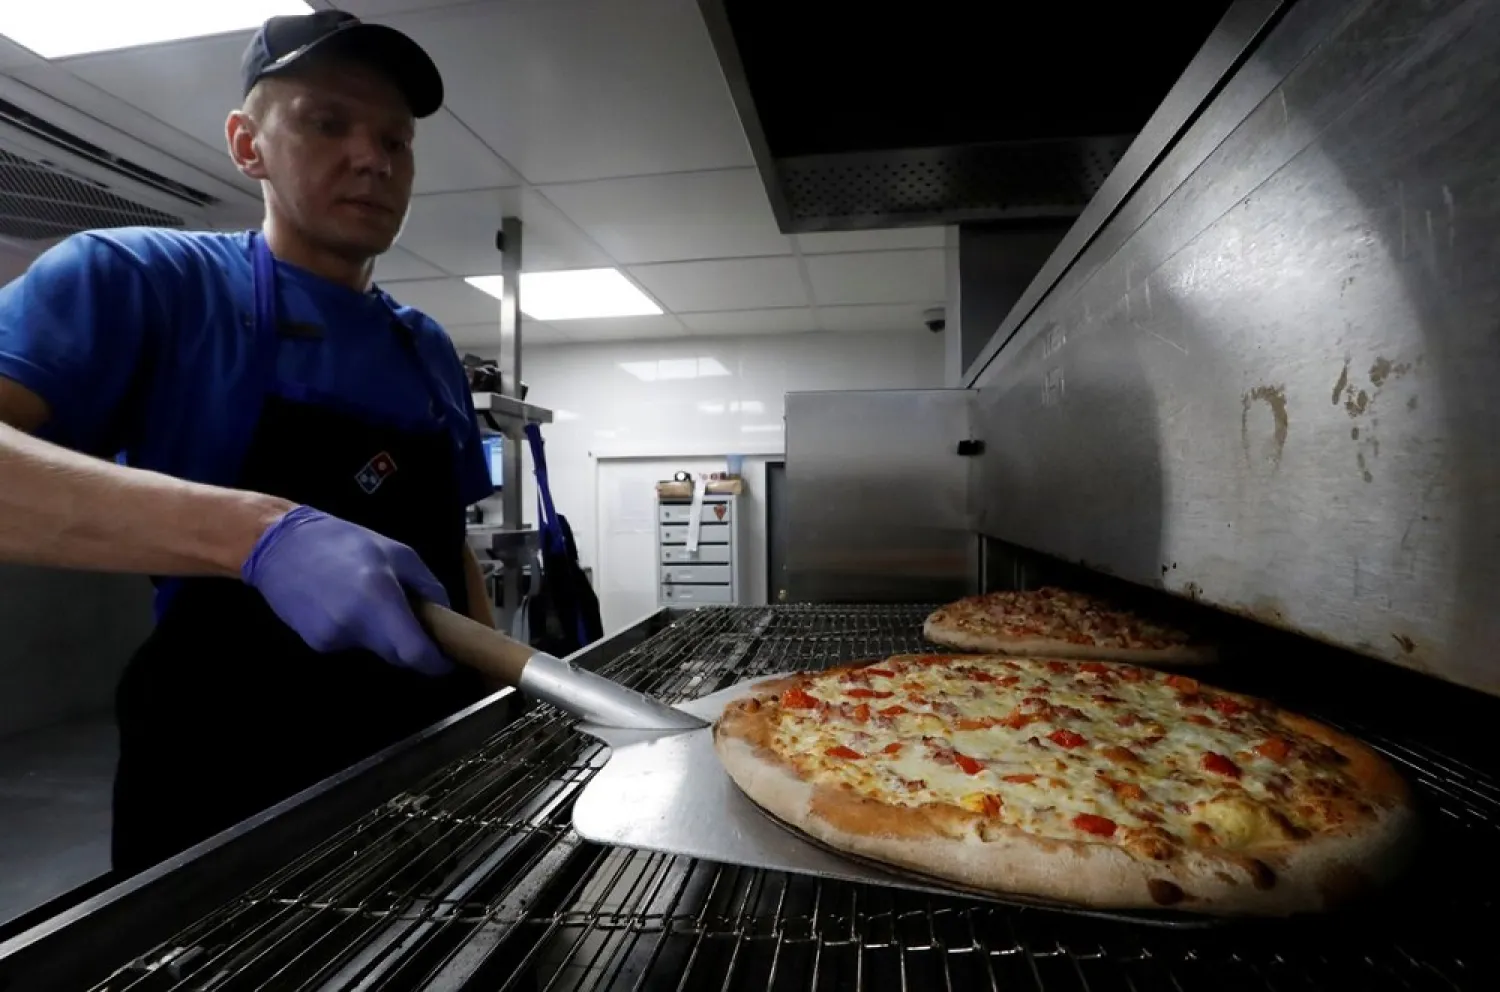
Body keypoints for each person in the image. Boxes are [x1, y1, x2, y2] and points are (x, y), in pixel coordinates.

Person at [0, 11, 498, 874]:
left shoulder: (426, 350)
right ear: (246, 144)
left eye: (395, 139)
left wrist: (501, 709)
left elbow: (450, 551)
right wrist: (260, 536)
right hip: (223, 775)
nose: (372, 157)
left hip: (424, 770)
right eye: (326, 122)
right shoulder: (142, 282)